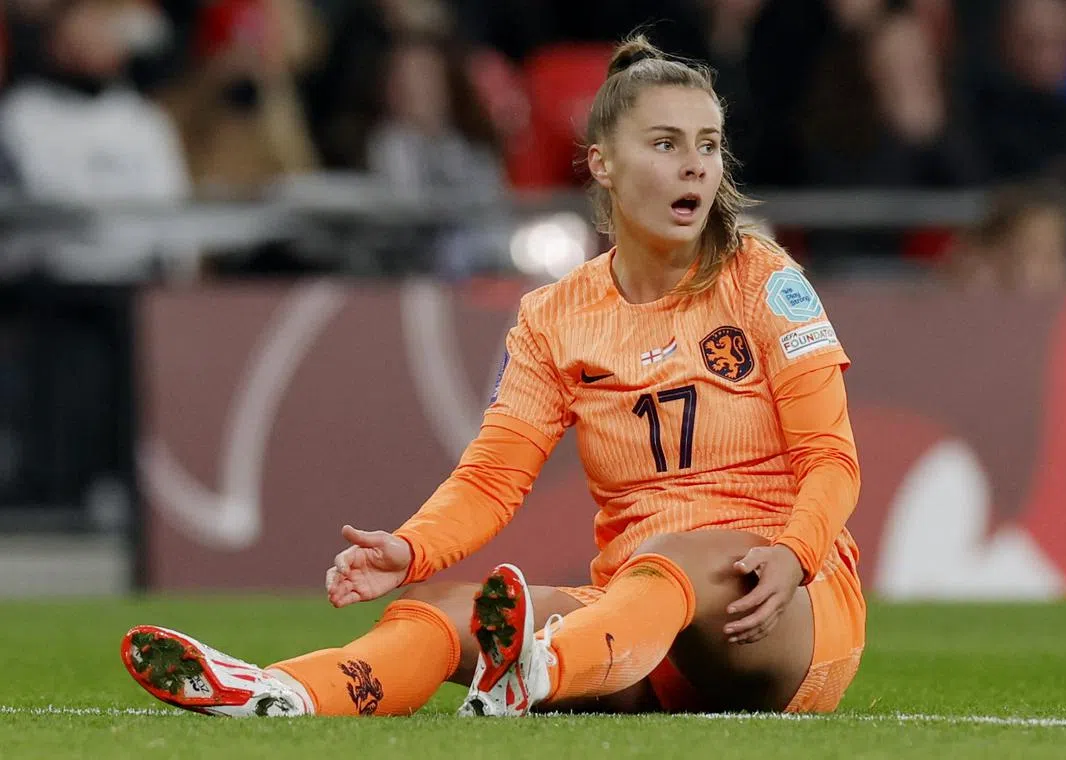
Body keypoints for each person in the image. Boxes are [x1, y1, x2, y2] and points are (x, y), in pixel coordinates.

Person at [120, 35, 865, 718]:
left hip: (778, 604)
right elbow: (492, 477)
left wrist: (794, 555)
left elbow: (830, 457)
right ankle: (287, 691)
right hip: (632, 623)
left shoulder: (763, 281)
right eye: (666, 143)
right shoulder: (554, 315)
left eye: (708, 144)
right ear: (602, 162)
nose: (696, 165)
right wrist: (410, 549)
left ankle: (535, 670)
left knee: (668, 560)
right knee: (444, 609)